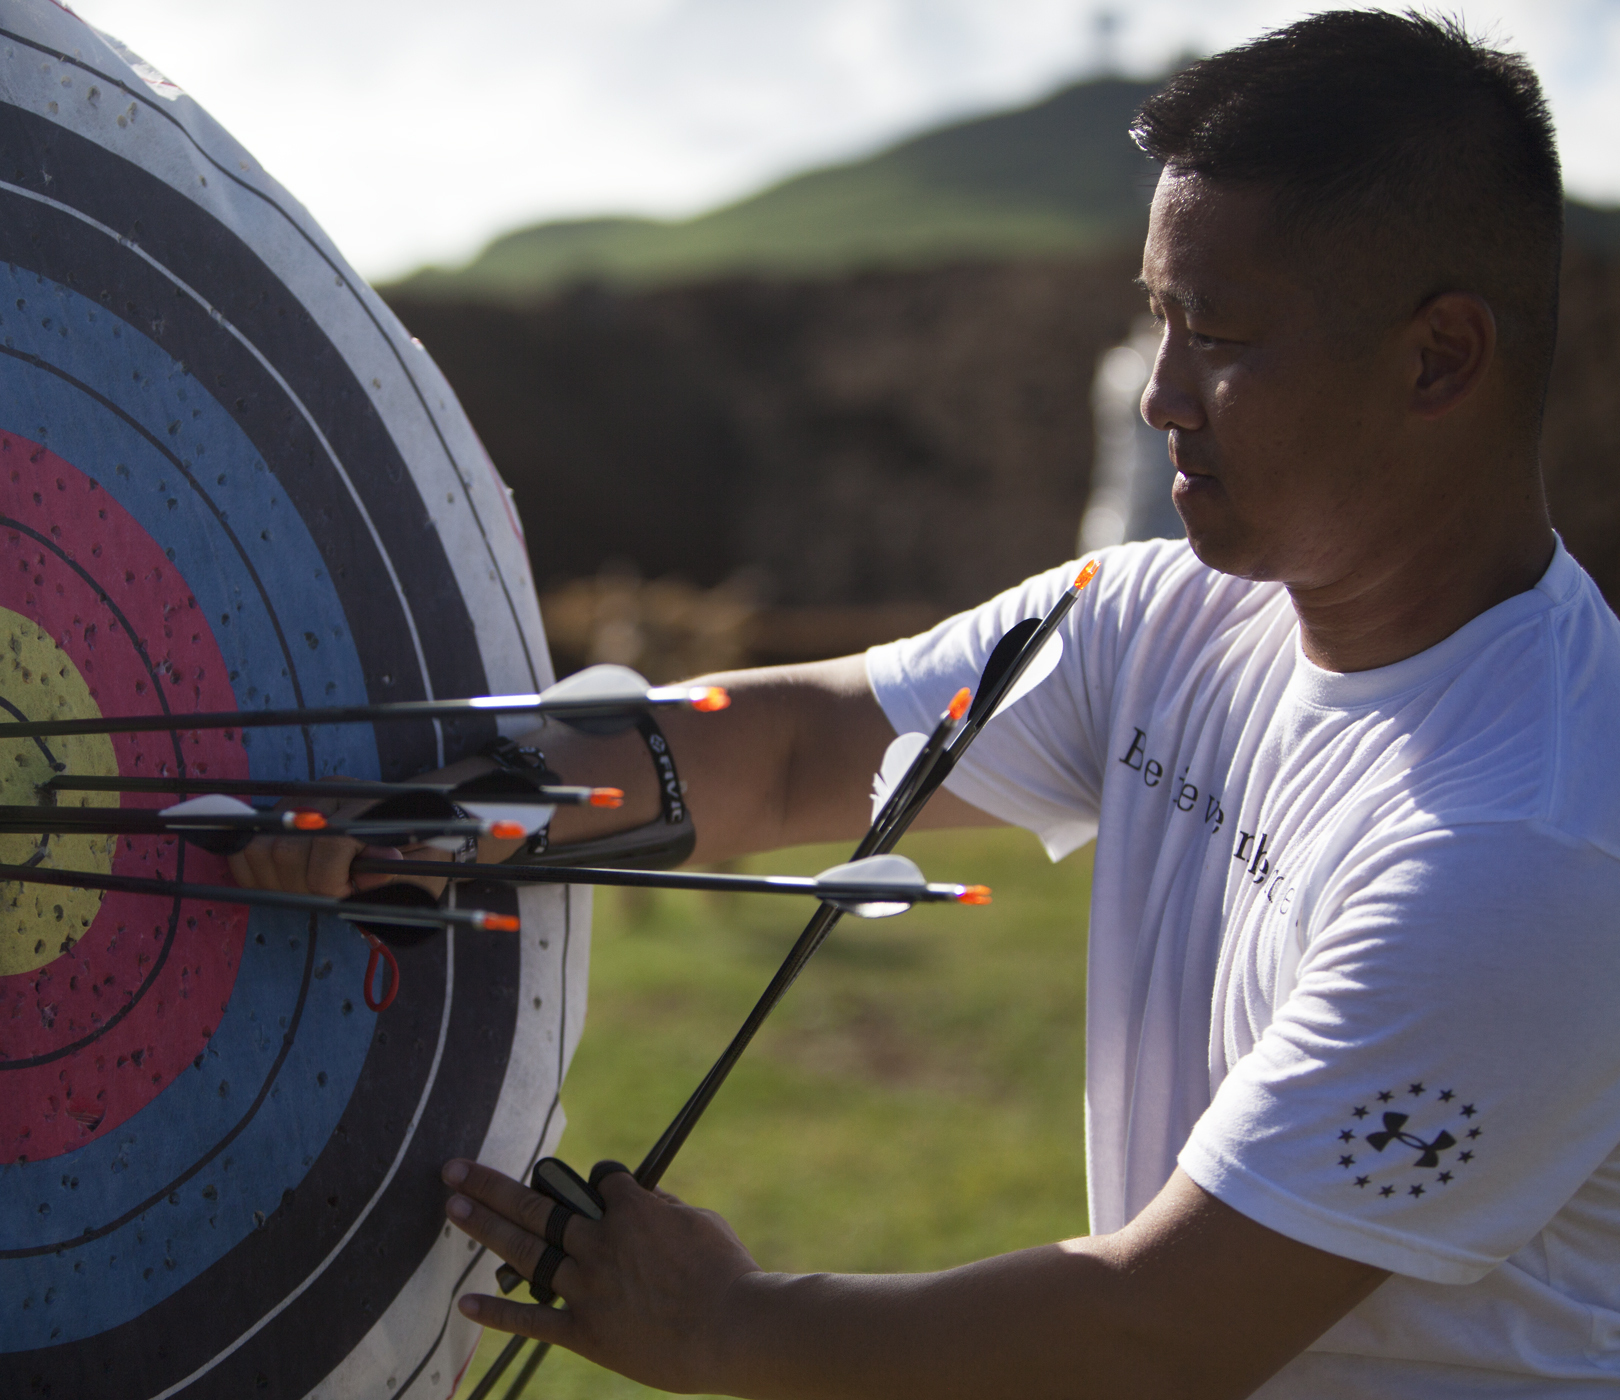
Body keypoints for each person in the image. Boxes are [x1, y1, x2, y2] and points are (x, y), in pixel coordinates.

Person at [233, 13, 1620, 1396]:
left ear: (1439, 359)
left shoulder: (1524, 849)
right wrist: (442, 809)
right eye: (1158, 320)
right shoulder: (1159, 618)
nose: (1161, 397)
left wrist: (732, 1325)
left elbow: (1166, 1329)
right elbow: (795, 749)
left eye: (1224, 335)